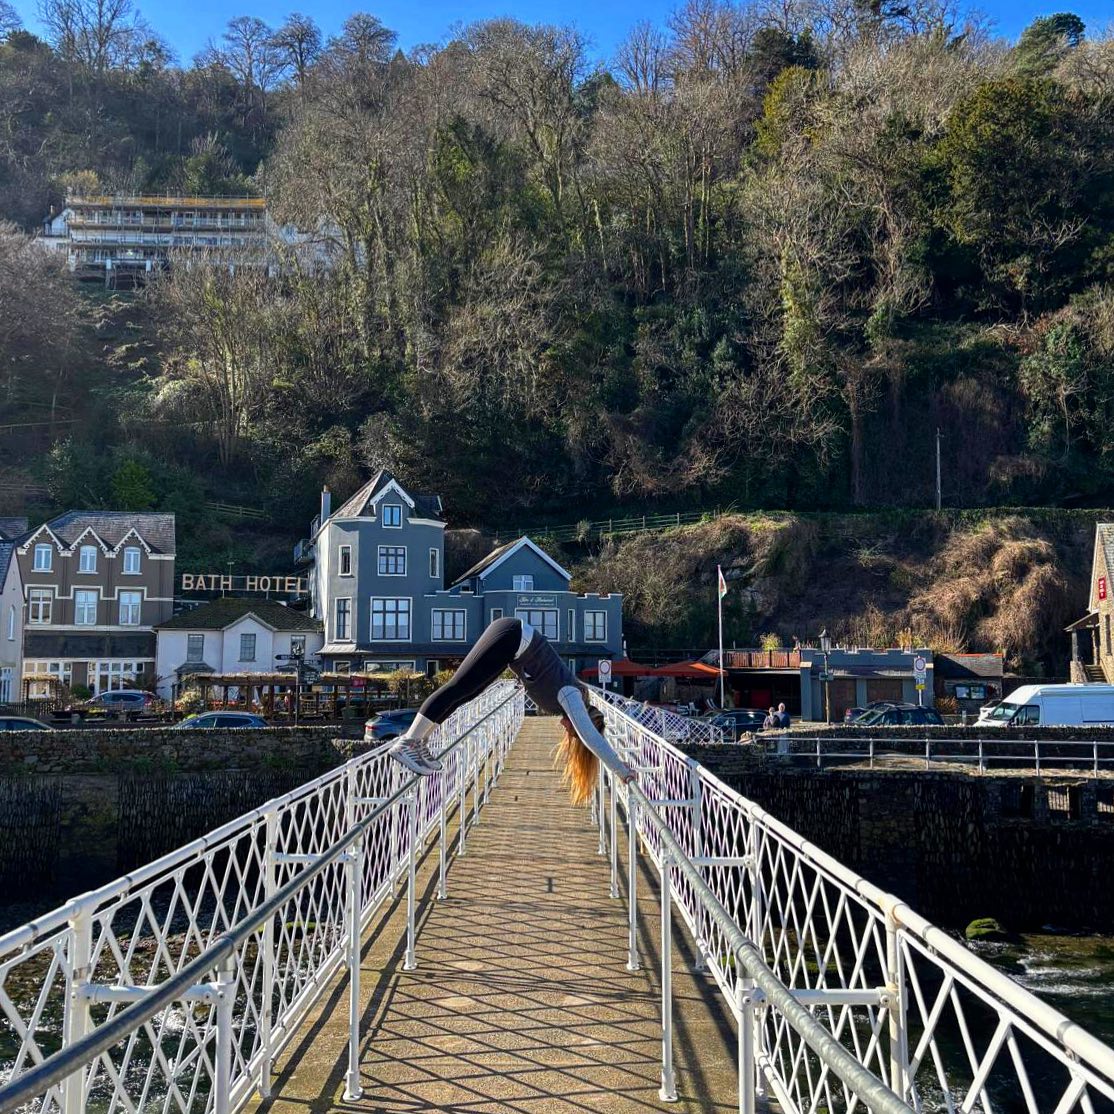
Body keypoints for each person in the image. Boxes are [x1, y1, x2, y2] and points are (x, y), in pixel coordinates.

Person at [390, 617, 636, 804]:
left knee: (468, 693)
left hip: (512, 645)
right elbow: (590, 737)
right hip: (511, 636)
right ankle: (408, 741)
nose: (565, 729)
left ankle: (420, 741)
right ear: (583, 719)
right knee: (458, 686)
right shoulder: (570, 695)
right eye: (572, 730)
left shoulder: (566, 696)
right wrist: (622, 771)